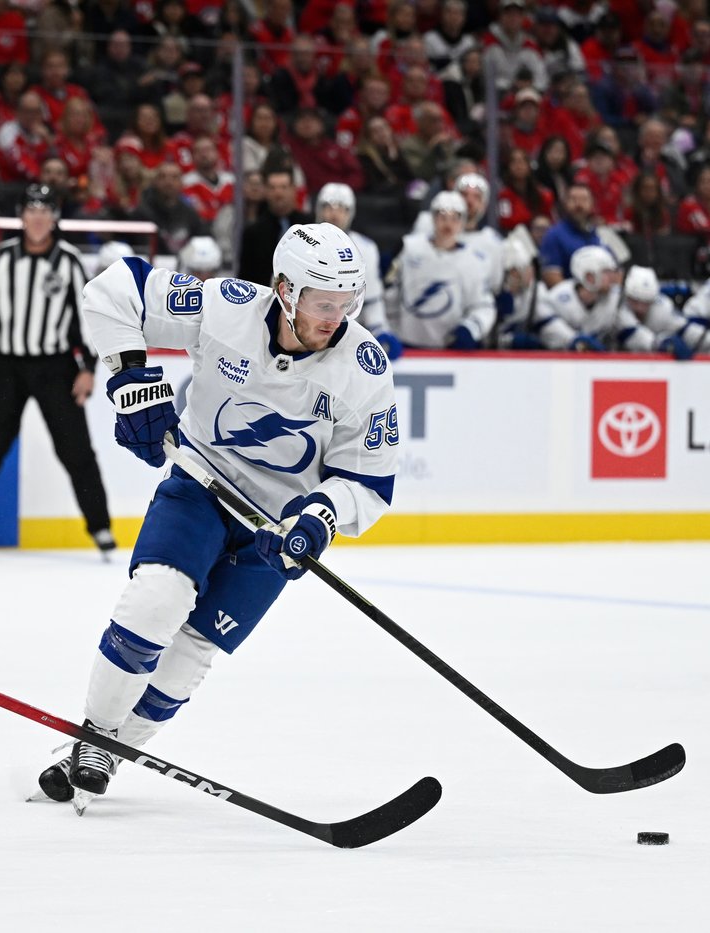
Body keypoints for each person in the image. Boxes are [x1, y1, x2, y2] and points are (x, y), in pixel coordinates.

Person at [35, 221, 396, 806]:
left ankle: (108, 751)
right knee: (157, 599)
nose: (336, 317)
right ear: (284, 289)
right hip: (200, 488)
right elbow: (114, 288)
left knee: (189, 657)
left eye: (345, 303)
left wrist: (320, 516)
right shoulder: (227, 309)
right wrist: (130, 380)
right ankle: (96, 733)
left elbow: (371, 480)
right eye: (322, 303)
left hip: (274, 534)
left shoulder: (364, 367)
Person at [0, 184, 113, 558]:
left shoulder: (68, 260)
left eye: (45, 210)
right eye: (31, 209)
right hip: (7, 365)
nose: (38, 217)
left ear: (54, 217)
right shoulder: (1, 258)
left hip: (55, 366)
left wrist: (88, 367)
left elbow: (84, 317)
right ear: (22, 215)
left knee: (76, 451)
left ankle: (100, 527)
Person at [388, 191, 496, 350]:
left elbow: (483, 306)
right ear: (433, 218)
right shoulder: (408, 248)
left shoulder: (475, 260)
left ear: (462, 221)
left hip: (449, 350)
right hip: (406, 346)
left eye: (455, 218)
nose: (448, 224)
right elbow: (389, 293)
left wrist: (471, 328)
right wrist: (386, 328)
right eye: (442, 217)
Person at [314, 182, 396, 360]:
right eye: (328, 206)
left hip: (346, 339)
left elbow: (372, 301)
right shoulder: (300, 242)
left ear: (350, 212)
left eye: (341, 208)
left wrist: (380, 331)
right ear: (319, 209)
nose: (334, 213)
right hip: (306, 332)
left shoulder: (366, 248)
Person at [530, 245, 623, 351]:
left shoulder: (615, 298)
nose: (613, 277)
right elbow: (548, 334)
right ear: (589, 276)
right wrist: (575, 340)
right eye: (606, 272)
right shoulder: (556, 298)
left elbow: (631, 329)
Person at [236, 165, 312, 286]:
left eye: (283, 187)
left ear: (293, 189)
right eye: (272, 188)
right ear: (265, 190)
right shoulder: (253, 232)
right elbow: (245, 277)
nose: (278, 193)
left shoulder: (310, 226)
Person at [620, 266, 708, 359]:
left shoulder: (662, 307)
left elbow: (685, 329)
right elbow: (637, 337)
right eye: (635, 301)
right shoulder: (619, 307)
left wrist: (707, 340)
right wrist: (662, 342)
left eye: (646, 303)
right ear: (628, 297)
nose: (640, 308)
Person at [538, 182, 604, 285]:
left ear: (592, 204)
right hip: (568, 297)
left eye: (584, 200)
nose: (579, 205)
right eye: (573, 200)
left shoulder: (600, 234)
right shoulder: (553, 235)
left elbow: (615, 271)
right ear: (565, 203)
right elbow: (552, 278)